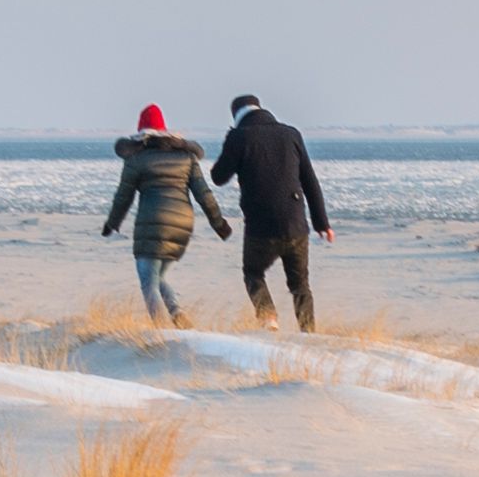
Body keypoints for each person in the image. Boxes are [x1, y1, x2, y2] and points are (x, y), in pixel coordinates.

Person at [209, 92, 331, 329]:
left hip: (261, 226)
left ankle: (268, 317)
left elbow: (218, 177)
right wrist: (321, 223)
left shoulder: (239, 137)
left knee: (253, 273)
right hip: (296, 223)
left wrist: (230, 140)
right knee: (300, 285)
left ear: (236, 115)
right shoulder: (291, 133)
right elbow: (309, 180)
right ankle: (309, 332)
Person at [99, 103, 227, 319]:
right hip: (182, 226)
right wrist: (219, 224)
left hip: (153, 222)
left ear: (140, 132)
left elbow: (124, 196)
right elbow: (203, 193)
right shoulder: (186, 157)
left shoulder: (136, 159)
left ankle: (162, 332)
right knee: (157, 277)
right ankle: (177, 314)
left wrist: (112, 224)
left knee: (147, 280)